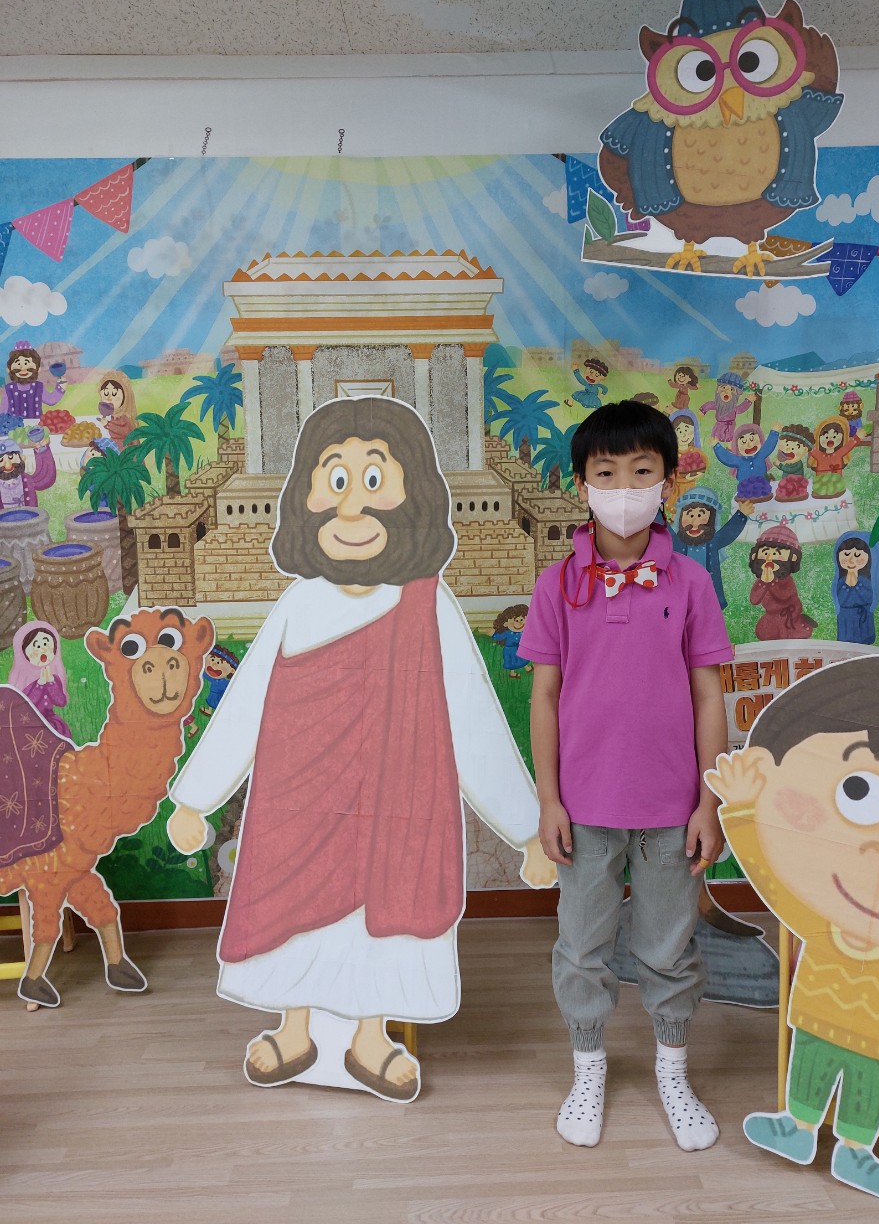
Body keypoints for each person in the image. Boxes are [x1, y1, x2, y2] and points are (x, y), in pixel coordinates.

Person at [166, 397, 554, 1102]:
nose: (352, 506)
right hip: (297, 807)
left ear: (414, 497)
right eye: (335, 480)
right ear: (304, 497)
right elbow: (246, 702)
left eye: (374, 480)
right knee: (290, 919)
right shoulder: (297, 602)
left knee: (380, 922)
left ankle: (371, 1038)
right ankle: (294, 1029)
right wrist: (197, 798)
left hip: (395, 805)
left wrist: (525, 829)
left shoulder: (427, 604)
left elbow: (473, 719)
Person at [518, 399, 732, 1152]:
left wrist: (709, 802)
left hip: (672, 805)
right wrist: (549, 798)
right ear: (583, 484)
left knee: (670, 945)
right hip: (584, 806)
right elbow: (545, 696)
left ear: (667, 481)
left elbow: (709, 695)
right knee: (582, 944)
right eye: (606, 473)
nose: (624, 488)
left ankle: (674, 1070)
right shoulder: (557, 586)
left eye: (642, 471)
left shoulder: (691, 584)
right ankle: (588, 1067)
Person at [711, 656, 879, 1203]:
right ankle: (798, 1128)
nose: (878, 850)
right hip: (816, 1018)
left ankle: (856, 1149)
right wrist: (744, 809)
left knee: (867, 1088)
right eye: (859, 795)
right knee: (810, 1069)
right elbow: (771, 880)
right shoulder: (814, 921)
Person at [671, 485, 753, 610]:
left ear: (712, 519)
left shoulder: (713, 542)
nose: (694, 522)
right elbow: (665, 528)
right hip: (682, 595)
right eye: (690, 515)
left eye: (700, 515)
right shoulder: (678, 542)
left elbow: (728, 533)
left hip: (709, 596)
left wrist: (741, 514)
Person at [747, 523, 817, 640]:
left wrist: (771, 583)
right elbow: (754, 600)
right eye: (765, 553)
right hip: (771, 615)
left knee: (791, 635)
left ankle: (802, 620)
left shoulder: (786, 579)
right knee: (763, 633)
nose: (769, 559)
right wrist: (763, 583)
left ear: (792, 558)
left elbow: (784, 597)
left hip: (789, 615)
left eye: (775, 554)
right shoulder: (762, 579)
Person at [8, 621, 72, 739]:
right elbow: (24, 705)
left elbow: (61, 701)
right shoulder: (23, 680)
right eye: (37, 646)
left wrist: (51, 683)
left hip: (51, 722)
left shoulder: (53, 677)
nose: (43, 650)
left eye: (46, 644)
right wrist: (39, 684)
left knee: (59, 735)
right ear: (24, 652)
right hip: (28, 724)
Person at [831, 532, 879, 645]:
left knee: (865, 644)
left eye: (857, 555)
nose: (851, 560)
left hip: (863, 620)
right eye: (846, 554)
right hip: (845, 619)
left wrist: (855, 584)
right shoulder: (841, 581)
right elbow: (841, 599)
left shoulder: (865, 581)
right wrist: (849, 582)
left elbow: (867, 598)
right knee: (846, 644)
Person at [2, 342, 65, 420]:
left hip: (35, 424)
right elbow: (3, 409)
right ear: (9, 369)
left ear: (38, 369)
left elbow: (51, 400)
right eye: (18, 364)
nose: (23, 369)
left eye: (26, 363)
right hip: (13, 425)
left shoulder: (39, 387)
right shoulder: (8, 388)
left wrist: (61, 387)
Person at [0, 435, 56, 510]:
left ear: (22, 458)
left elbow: (45, 477)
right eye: (1, 461)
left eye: (11, 458)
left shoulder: (26, 480)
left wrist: (42, 450)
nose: (7, 465)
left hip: (29, 516)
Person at [98, 371, 139, 447]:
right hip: (114, 444)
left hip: (123, 447)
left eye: (114, 394)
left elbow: (124, 431)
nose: (109, 398)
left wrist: (107, 425)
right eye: (106, 393)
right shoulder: (114, 416)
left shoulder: (124, 418)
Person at [490, 604, 532, 678]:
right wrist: (493, 634)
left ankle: (527, 667)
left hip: (520, 648)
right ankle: (512, 673)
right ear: (506, 624)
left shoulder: (523, 632)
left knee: (522, 658)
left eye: (522, 620)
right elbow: (499, 637)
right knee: (512, 661)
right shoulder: (508, 633)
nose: (520, 623)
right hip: (510, 650)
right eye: (516, 620)